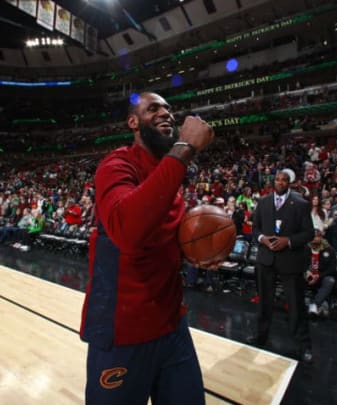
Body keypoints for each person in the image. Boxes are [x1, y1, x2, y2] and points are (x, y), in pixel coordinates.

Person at [79, 92, 214, 404]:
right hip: (122, 330)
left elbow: (164, 243)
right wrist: (185, 148)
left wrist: (201, 250)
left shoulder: (170, 173)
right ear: (133, 122)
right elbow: (128, 231)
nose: (166, 113)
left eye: (169, 109)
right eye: (153, 108)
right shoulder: (116, 165)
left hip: (171, 325)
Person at [248, 169, 315, 362]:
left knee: (296, 305)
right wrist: (262, 239)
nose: (279, 182)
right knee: (264, 302)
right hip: (266, 258)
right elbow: (255, 228)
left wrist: (289, 241)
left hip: (290, 260)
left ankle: (304, 346)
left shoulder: (301, 204)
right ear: (272, 182)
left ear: (289, 183)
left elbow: (309, 234)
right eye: (277, 179)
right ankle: (260, 337)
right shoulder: (263, 202)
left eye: (284, 180)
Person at [306, 229, 337, 316]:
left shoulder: (329, 250)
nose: (315, 239)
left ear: (321, 237)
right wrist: (307, 271)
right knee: (294, 276)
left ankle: (315, 304)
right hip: (307, 273)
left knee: (330, 280)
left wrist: (319, 275)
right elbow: (299, 262)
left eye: (317, 236)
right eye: (313, 237)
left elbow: (332, 268)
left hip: (322, 275)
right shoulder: (305, 248)